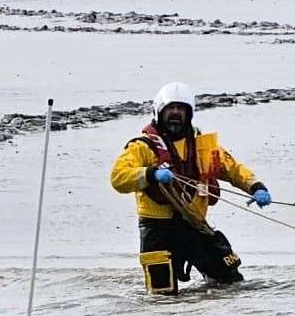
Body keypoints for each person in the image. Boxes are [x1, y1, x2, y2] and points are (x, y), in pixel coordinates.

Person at [110, 82, 272, 290]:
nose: (175, 114)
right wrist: (151, 174)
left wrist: (256, 187)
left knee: (230, 282)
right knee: (162, 295)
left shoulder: (202, 146)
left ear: (190, 113)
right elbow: (118, 177)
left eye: (181, 109)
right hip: (157, 230)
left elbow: (232, 168)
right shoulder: (142, 146)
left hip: (194, 224)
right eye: (170, 109)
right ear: (159, 111)